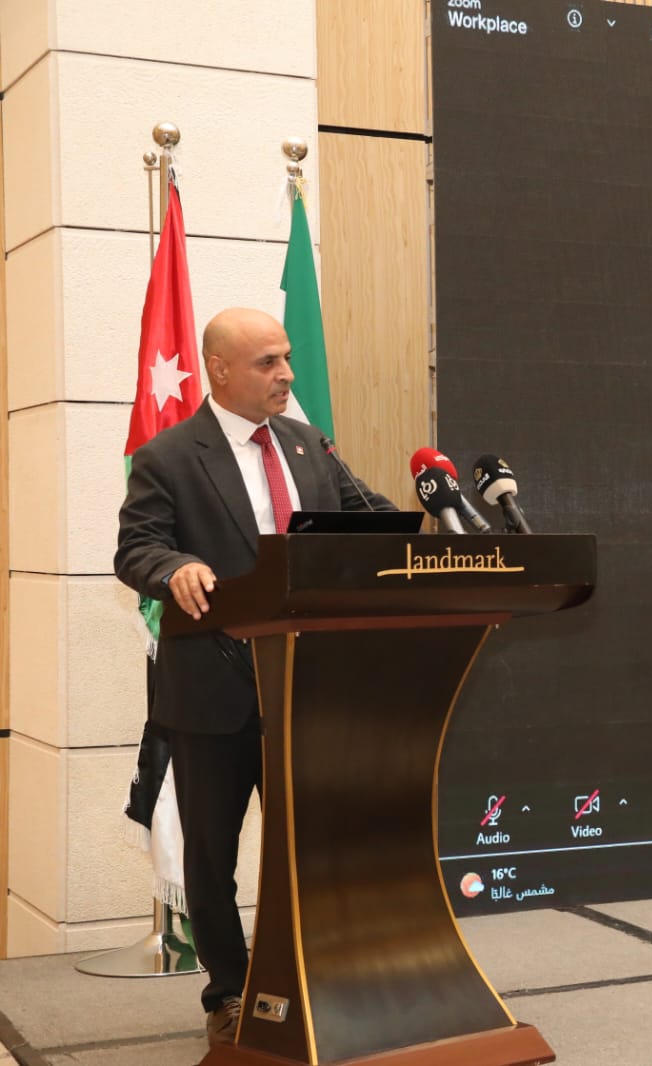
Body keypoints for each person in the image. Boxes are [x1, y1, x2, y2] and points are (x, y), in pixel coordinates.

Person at [115, 307, 394, 1045]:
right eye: (269, 361)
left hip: (309, 686)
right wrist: (176, 567)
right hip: (216, 688)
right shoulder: (170, 456)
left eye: (288, 358)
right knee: (212, 855)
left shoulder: (308, 444)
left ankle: (315, 975)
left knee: (314, 845)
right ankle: (229, 994)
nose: (287, 375)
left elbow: (370, 519)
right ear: (220, 369)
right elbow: (136, 548)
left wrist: (432, 526)